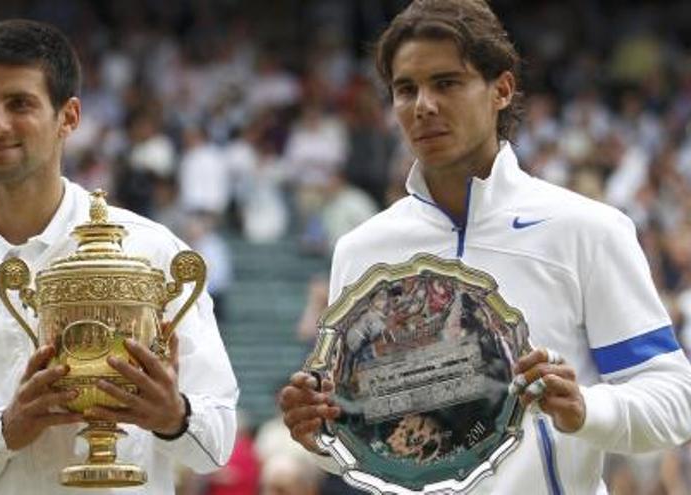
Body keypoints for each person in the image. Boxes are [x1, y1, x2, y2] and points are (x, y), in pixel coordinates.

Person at [278, 1, 691, 493]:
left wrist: (584, 408)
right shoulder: (362, 249)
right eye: (406, 89)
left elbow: (673, 401)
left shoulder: (588, 229)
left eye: (446, 83)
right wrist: (322, 432)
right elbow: (375, 440)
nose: (423, 105)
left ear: (502, 89)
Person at [0, 19, 237, 494]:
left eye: (21, 104)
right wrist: (3, 429)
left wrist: (174, 416)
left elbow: (218, 437)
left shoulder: (150, 251)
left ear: (69, 117)